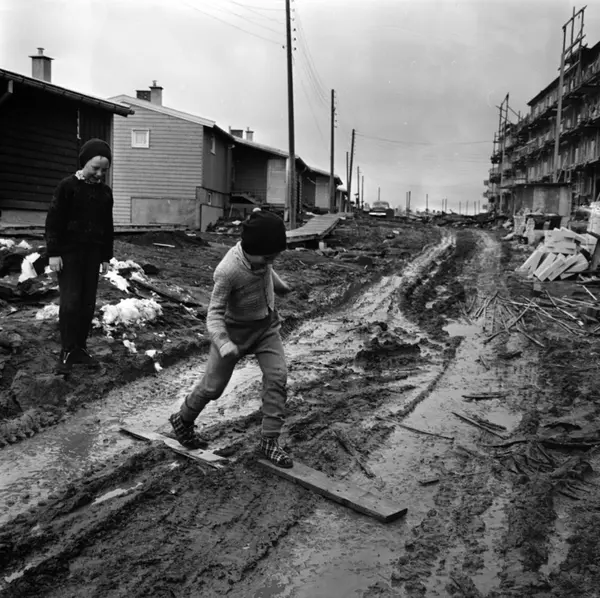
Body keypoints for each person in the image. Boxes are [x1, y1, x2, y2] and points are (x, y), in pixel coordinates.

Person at [169, 209, 294, 468]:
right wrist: (224, 342)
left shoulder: (263, 258)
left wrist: (280, 286)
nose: (271, 261)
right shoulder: (228, 271)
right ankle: (183, 418)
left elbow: (267, 270)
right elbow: (213, 314)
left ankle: (270, 440)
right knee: (212, 388)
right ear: (251, 250)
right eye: (268, 257)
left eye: (274, 257)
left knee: (277, 377)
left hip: (266, 329)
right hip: (233, 334)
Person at [45, 138, 114, 374]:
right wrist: (54, 253)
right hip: (69, 254)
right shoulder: (67, 187)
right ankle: (67, 351)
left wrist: (105, 256)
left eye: (104, 170)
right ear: (84, 162)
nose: (99, 174)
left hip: (92, 254)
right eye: (95, 168)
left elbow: (107, 226)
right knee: (71, 302)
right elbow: (54, 221)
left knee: (87, 303)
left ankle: (80, 349)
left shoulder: (105, 193)